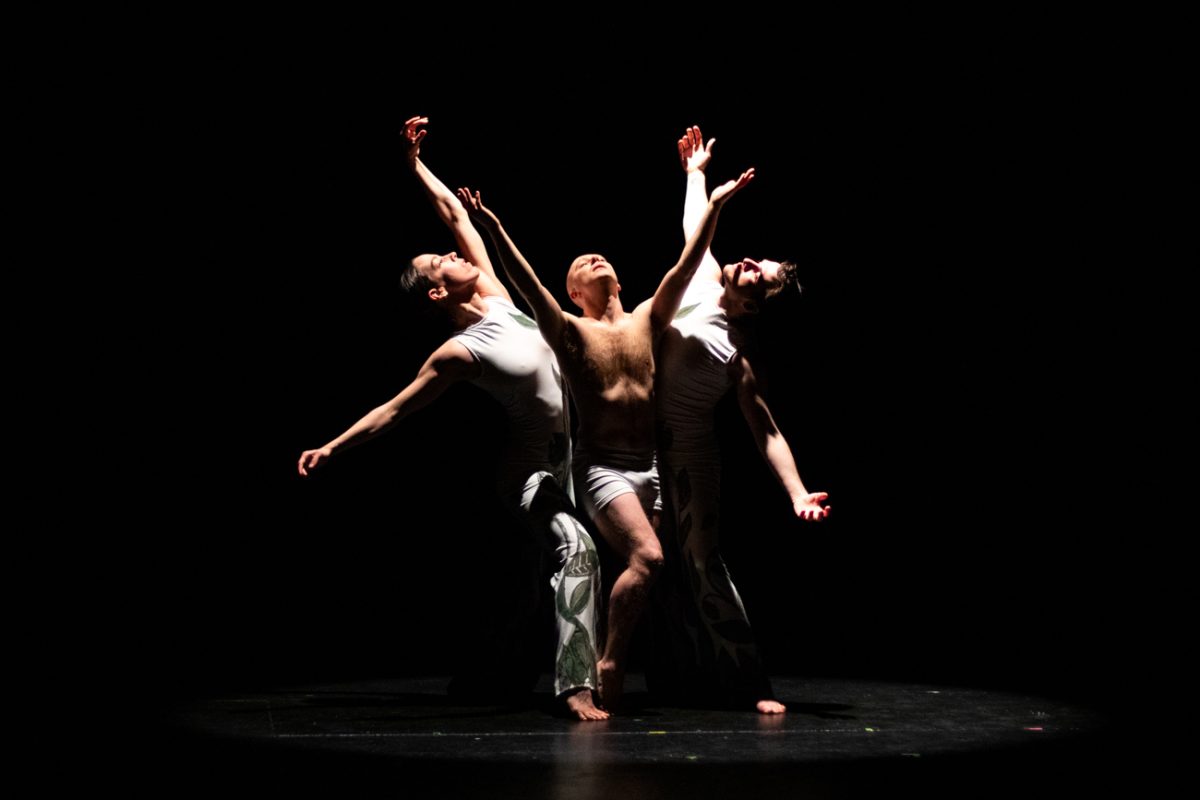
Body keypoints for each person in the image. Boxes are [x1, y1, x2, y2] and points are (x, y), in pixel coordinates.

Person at [297, 117, 608, 721]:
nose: (453, 254)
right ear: (437, 293)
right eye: (441, 261)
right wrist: (333, 448)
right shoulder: (460, 353)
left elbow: (456, 216)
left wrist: (415, 164)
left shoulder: (495, 295)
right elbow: (396, 408)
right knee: (577, 553)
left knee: (528, 583)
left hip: (579, 461)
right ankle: (575, 687)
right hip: (529, 477)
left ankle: (489, 673)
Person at [458, 161, 754, 710]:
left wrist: (713, 204)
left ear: (617, 279)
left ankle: (678, 673)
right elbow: (527, 282)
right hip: (603, 470)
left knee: (654, 579)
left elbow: (686, 267)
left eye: (600, 258)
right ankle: (609, 663)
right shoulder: (571, 332)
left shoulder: (647, 318)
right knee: (650, 557)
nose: (593, 258)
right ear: (574, 292)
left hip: (652, 467)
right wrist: (494, 227)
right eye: (579, 264)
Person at [652, 125, 830, 715]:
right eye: (757, 261)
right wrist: (696, 173)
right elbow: (694, 229)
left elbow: (767, 430)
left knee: (700, 560)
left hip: (691, 455)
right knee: (657, 564)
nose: (751, 262)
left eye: (762, 275)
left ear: (754, 305)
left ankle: (750, 681)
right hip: (641, 443)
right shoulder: (704, 279)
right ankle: (678, 672)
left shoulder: (740, 353)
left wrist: (798, 491)